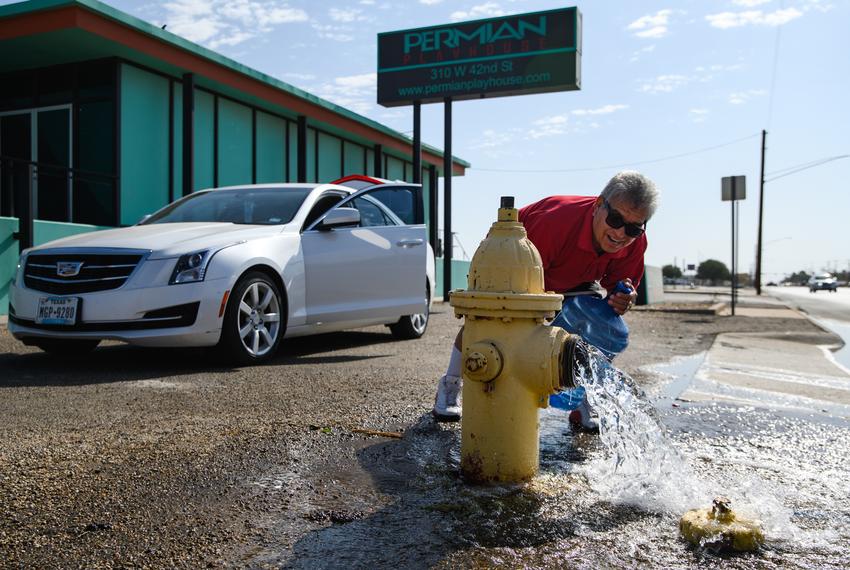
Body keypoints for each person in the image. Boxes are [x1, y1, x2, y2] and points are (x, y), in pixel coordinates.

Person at [432, 171, 659, 430]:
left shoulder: (635, 242)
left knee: (602, 325)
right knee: (492, 318)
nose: (620, 233)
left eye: (632, 227)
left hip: (575, 280)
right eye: (616, 219)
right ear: (598, 205)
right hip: (518, 260)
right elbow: (522, 287)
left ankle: (584, 398)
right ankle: (450, 384)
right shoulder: (555, 222)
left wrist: (623, 299)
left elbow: (620, 290)